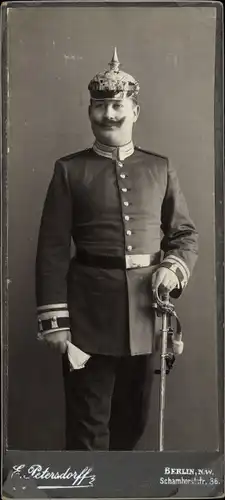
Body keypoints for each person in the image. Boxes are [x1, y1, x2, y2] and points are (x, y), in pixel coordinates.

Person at [35, 48, 198, 451]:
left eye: (118, 105)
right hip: (88, 317)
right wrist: (56, 323)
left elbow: (184, 235)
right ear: (90, 110)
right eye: (101, 106)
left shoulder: (159, 168)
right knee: (87, 427)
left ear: (135, 110)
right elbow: (52, 249)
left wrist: (172, 269)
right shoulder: (69, 170)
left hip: (146, 317)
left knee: (132, 423)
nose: (109, 115)